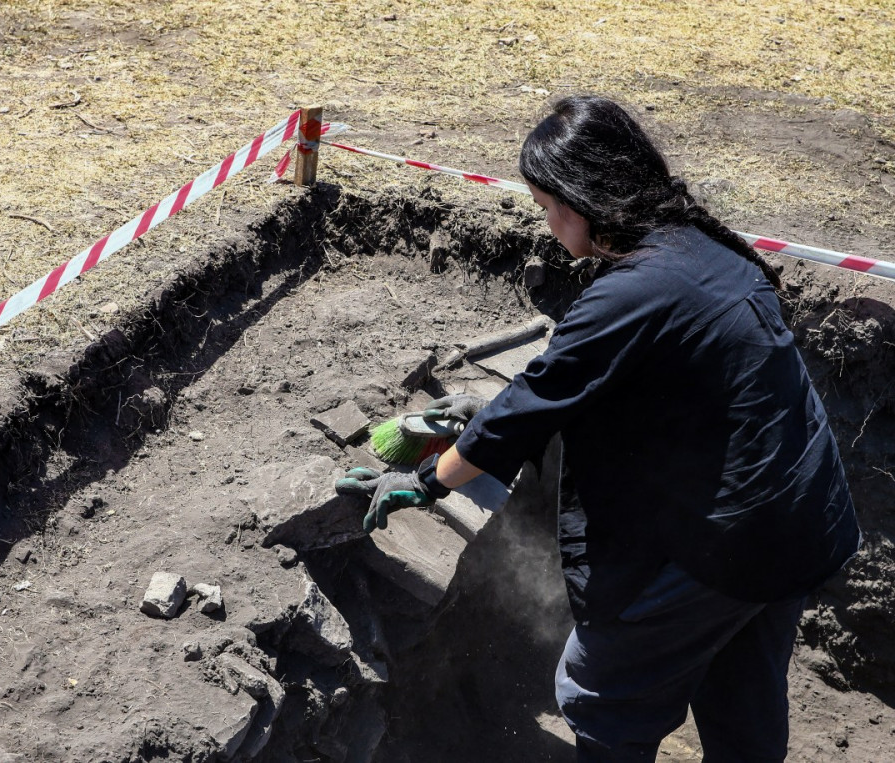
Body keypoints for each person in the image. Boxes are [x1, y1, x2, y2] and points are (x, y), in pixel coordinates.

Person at [336, 95, 861, 761]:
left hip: (731, 539)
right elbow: (613, 389)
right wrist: (492, 416)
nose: (546, 223)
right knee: (742, 698)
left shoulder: (627, 292)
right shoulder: (695, 247)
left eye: (545, 205)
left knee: (597, 690)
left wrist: (422, 481)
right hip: (806, 513)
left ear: (579, 199)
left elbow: (531, 401)